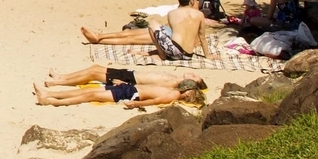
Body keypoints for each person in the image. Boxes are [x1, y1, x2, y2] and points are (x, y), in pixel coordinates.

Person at [81, 0, 210, 56]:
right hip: (169, 34)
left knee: (130, 38)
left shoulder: (173, 13)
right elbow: (201, 37)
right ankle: (98, 36)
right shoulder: (198, 14)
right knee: (129, 35)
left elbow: (194, 40)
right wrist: (207, 55)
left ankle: (99, 39)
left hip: (170, 39)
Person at [34, 69, 208, 109]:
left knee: (89, 94)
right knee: (90, 92)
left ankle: (49, 99)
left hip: (129, 94)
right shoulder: (173, 90)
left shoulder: (171, 94)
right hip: (129, 88)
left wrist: (135, 105)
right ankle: (49, 95)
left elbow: (153, 100)